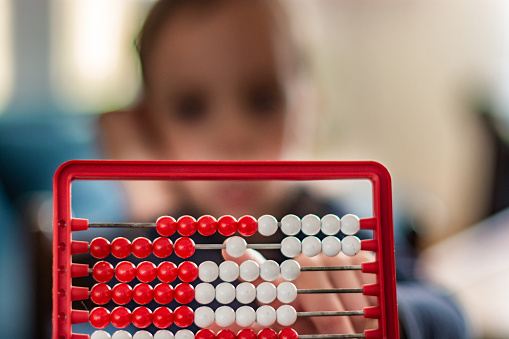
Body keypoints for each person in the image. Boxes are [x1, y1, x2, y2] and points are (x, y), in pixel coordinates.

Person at [99, 0, 468, 337]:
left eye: (263, 99)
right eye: (191, 108)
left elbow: (450, 315)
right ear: (152, 130)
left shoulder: (342, 233)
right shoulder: (148, 254)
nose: (233, 138)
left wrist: (390, 315)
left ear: (311, 107)